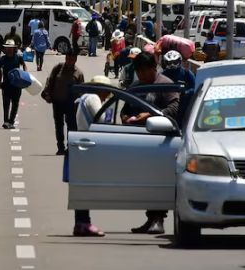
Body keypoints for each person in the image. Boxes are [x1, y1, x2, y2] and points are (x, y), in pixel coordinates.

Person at [121, 52, 180, 235]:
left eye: (144, 71)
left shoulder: (165, 84)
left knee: (157, 180)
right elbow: (126, 107)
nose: (141, 75)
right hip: (140, 140)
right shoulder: (137, 85)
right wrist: (126, 117)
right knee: (144, 181)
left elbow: (174, 108)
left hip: (161, 141)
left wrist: (152, 114)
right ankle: (150, 218)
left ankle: (158, 219)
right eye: (138, 72)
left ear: (153, 68)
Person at [69, 75, 113, 237]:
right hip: (89, 145)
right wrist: (109, 110)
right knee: (85, 187)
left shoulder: (84, 98)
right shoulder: (94, 98)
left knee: (82, 186)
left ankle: (81, 222)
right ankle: (83, 222)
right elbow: (103, 120)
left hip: (83, 143)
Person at [43, 47, 84, 155]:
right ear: (66, 58)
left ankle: (70, 148)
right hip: (57, 102)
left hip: (71, 104)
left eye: (72, 59)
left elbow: (82, 91)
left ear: (75, 59)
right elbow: (50, 81)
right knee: (59, 125)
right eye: (68, 58)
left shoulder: (78, 73)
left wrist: (79, 104)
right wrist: (47, 94)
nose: (69, 61)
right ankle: (60, 147)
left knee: (71, 126)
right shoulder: (58, 68)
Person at [160, 49, 196, 125]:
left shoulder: (186, 73)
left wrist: (185, 92)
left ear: (179, 61)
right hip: (169, 106)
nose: (172, 65)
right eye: (169, 62)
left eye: (175, 62)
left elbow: (195, 87)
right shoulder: (163, 75)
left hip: (184, 105)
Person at [0, 40, 27, 129]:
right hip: (6, 85)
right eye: (7, 48)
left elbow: (24, 65)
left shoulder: (18, 57)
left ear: (14, 49)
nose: (9, 50)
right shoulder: (3, 59)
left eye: (11, 48)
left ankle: (11, 121)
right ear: (5, 49)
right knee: (6, 104)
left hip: (17, 85)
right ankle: (6, 121)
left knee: (15, 104)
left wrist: (25, 75)